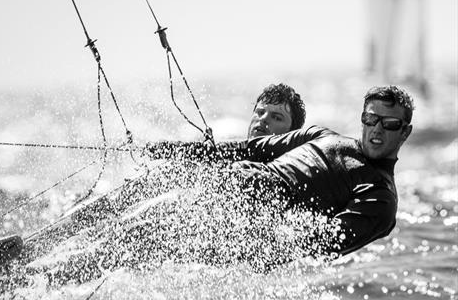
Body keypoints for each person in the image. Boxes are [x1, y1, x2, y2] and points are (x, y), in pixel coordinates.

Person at [147, 85, 414, 257]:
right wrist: (178, 150)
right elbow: (251, 149)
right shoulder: (321, 135)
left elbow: (327, 241)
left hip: (252, 223)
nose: (377, 129)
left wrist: (258, 246)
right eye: (371, 119)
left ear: (405, 131)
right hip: (235, 179)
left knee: (146, 238)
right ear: (363, 119)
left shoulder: (381, 197)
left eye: (389, 123)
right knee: (150, 193)